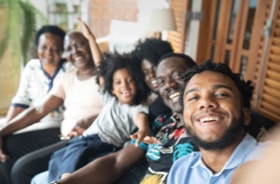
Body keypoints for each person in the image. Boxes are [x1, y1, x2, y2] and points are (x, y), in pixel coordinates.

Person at [32, 52, 198, 184]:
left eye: (178, 76)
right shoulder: (159, 122)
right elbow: (116, 162)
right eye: (161, 81)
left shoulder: (207, 126)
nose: (169, 85)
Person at [4, 30, 104, 184]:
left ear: (90, 45)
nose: (75, 52)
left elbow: (114, 110)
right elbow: (39, 110)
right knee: (6, 144)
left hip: (84, 139)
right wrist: (1, 132)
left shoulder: (105, 77)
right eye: (69, 48)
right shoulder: (68, 76)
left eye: (80, 45)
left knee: (22, 169)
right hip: (63, 134)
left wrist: (90, 121)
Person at [167, 60, 269, 184]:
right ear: (184, 118)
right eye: (194, 97)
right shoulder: (181, 169)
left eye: (221, 94)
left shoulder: (270, 163)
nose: (205, 103)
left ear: (246, 115)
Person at [0, 25, 66, 184]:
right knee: (5, 147)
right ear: (37, 48)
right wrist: (6, 130)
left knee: (13, 153)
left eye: (55, 48)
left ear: (63, 49)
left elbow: (40, 110)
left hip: (55, 127)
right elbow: (20, 101)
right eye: (44, 47)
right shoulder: (32, 67)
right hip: (29, 121)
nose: (49, 53)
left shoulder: (68, 70)